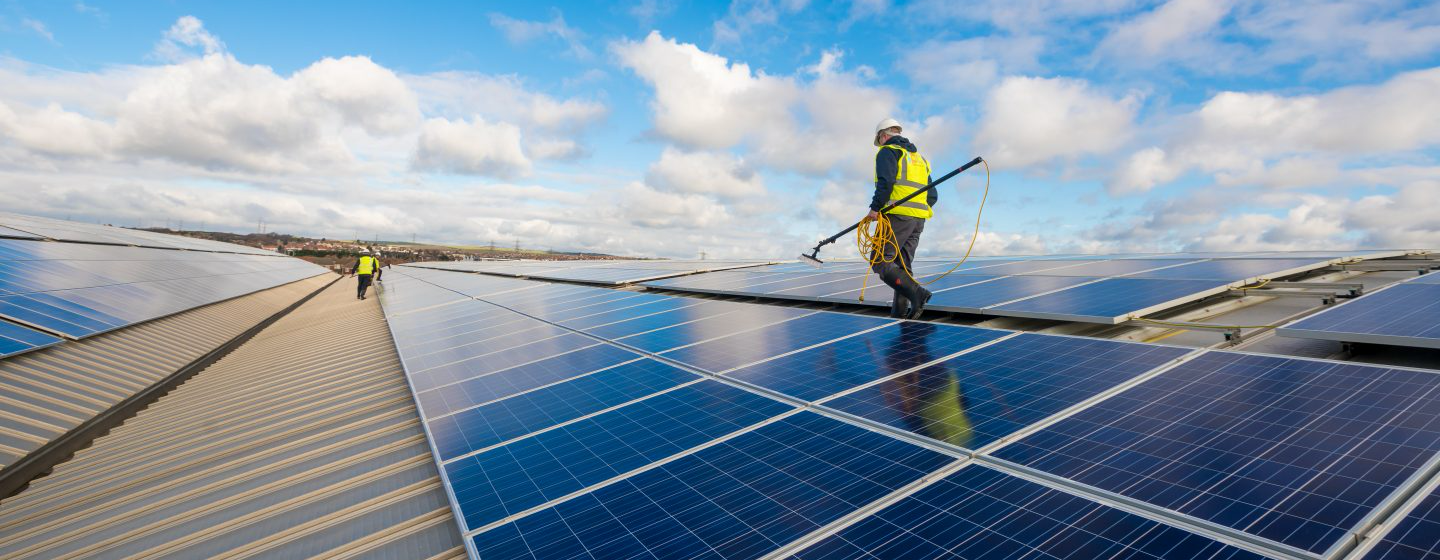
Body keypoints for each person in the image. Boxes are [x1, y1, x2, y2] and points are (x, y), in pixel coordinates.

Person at [868, 117, 934, 319]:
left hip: (896, 217)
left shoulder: (888, 151)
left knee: (880, 260)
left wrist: (875, 208)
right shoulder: (920, 159)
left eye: (879, 139)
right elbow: (932, 196)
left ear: (884, 135)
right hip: (918, 219)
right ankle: (900, 313)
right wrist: (916, 210)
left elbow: (885, 183)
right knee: (902, 265)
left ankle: (918, 293)